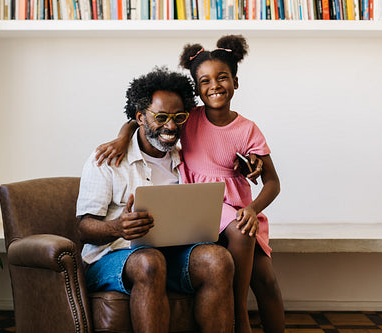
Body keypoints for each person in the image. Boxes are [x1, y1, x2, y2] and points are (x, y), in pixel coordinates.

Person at [94, 35, 284, 333]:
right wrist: (122, 137)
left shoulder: (245, 129)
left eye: (223, 78)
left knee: (267, 280)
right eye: (205, 81)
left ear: (236, 81)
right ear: (197, 88)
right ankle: (240, 319)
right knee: (239, 231)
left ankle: (249, 319)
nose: (215, 86)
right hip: (211, 206)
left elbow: (271, 180)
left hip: (241, 204)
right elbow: (142, 117)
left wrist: (250, 188)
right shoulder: (188, 119)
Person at [76, 67, 235, 333]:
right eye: (161, 117)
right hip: (113, 259)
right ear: (140, 117)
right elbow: (83, 228)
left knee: (218, 260)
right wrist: (118, 227)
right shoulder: (106, 159)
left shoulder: (187, 159)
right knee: (149, 260)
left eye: (178, 117)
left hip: (170, 256)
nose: (171, 126)